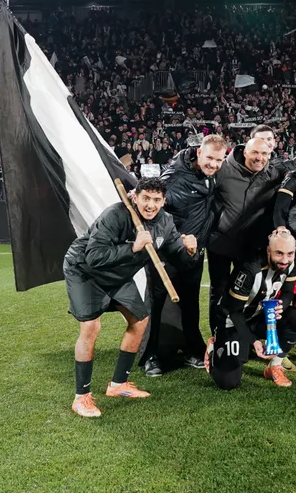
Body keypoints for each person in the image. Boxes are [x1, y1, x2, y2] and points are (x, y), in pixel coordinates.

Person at [63, 177, 200, 418]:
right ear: (135, 197)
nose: (150, 205)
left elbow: (179, 259)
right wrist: (133, 248)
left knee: (140, 320)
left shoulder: (165, 223)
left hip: (118, 275)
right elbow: (94, 256)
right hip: (85, 271)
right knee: (91, 327)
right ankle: (81, 397)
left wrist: (189, 251)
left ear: (164, 202)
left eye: (157, 200)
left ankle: (118, 385)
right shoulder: (114, 215)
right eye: (146, 198)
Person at [141, 133, 226, 376]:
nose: (213, 164)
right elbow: (152, 204)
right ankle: (151, 356)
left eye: (219, 161)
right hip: (166, 253)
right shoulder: (174, 177)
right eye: (210, 158)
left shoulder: (212, 175)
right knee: (157, 303)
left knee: (190, 305)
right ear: (199, 152)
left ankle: (191, 349)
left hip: (194, 253)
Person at [207, 229, 296, 389]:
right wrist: (253, 341)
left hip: (259, 315)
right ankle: (214, 348)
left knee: (294, 316)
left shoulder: (293, 260)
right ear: (268, 250)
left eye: (290, 253)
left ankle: (275, 365)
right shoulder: (250, 268)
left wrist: (282, 305)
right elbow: (234, 312)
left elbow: (288, 292)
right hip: (232, 320)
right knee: (228, 382)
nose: (285, 260)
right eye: (279, 253)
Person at [208, 137, 283, 332]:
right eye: (255, 153)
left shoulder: (274, 174)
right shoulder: (223, 169)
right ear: (245, 152)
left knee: (248, 291)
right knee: (219, 291)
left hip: (250, 247)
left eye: (265, 154)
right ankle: (218, 337)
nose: (260, 158)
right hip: (220, 243)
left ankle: (241, 334)